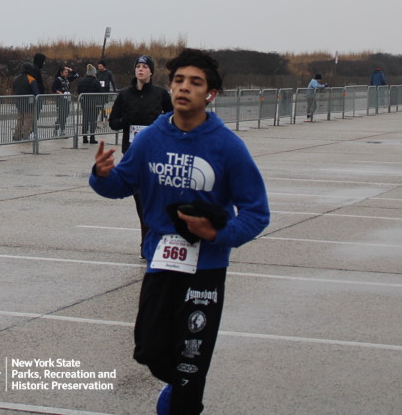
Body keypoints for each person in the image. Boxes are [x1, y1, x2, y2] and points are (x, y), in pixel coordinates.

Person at [90, 48, 270, 414]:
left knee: (191, 366)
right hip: (162, 264)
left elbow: (257, 212)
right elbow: (122, 184)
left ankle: (181, 400)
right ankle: (177, 391)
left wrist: (217, 234)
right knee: (151, 349)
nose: (184, 87)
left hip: (206, 269)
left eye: (195, 82)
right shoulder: (152, 139)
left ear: (210, 94)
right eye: (178, 80)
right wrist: (101, 175)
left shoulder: (228, 147)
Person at [108, 55, 173, 255]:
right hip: (133, 154)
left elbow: (174, 119)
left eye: (145, 66)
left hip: (156, 154)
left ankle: (156, 238)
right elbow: (113, 123)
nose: (141, 70)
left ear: (151, 71)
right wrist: (127, 120)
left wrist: (161, 126)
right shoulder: (125, 95)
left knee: (156, 198)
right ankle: (146, 241)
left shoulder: (160, 94)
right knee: (141, 200)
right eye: (138, 66)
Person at [12, 62, 42, 141]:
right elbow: (36, 92)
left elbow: (14, 88)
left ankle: (16, 136)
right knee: (28, 120)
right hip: (29, 103)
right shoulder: (31, 79)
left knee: (20, 120)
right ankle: (26, 136)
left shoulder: (16, 78)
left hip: (19, 102)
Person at [77, 64, 102, 144]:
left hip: (84, 104)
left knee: (85, 120)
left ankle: (84, 138)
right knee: (93, 121)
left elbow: (79, 91)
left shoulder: (81, 81)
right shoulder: (96, 81)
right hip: (94, 104)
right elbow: (100, 92)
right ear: (94, 73)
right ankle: (92, 137)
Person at [52, 65, 79, 137]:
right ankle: (59, 129)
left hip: (67, 99)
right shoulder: (57, 79)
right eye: (65, 72)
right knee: (61, 115)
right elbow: (54, 88)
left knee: (65, 115)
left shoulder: (67, 79)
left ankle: (61, 130)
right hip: (60, 99)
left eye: (67, 72)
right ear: (61, 72)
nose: (67, 73)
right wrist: (59, 92)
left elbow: (76, 75)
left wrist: (70, 69)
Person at [96, 61, 116, 125]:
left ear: (104, 66)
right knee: (100, 105)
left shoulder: (108, 73)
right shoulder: (97, 73)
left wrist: (114, 89)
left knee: (101, 105)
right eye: (98, 66)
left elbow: (112, 81)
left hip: (105, 91)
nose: (99, 67)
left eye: (100, 66)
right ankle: (105, 118)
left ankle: (103, 119)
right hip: (99, 91)